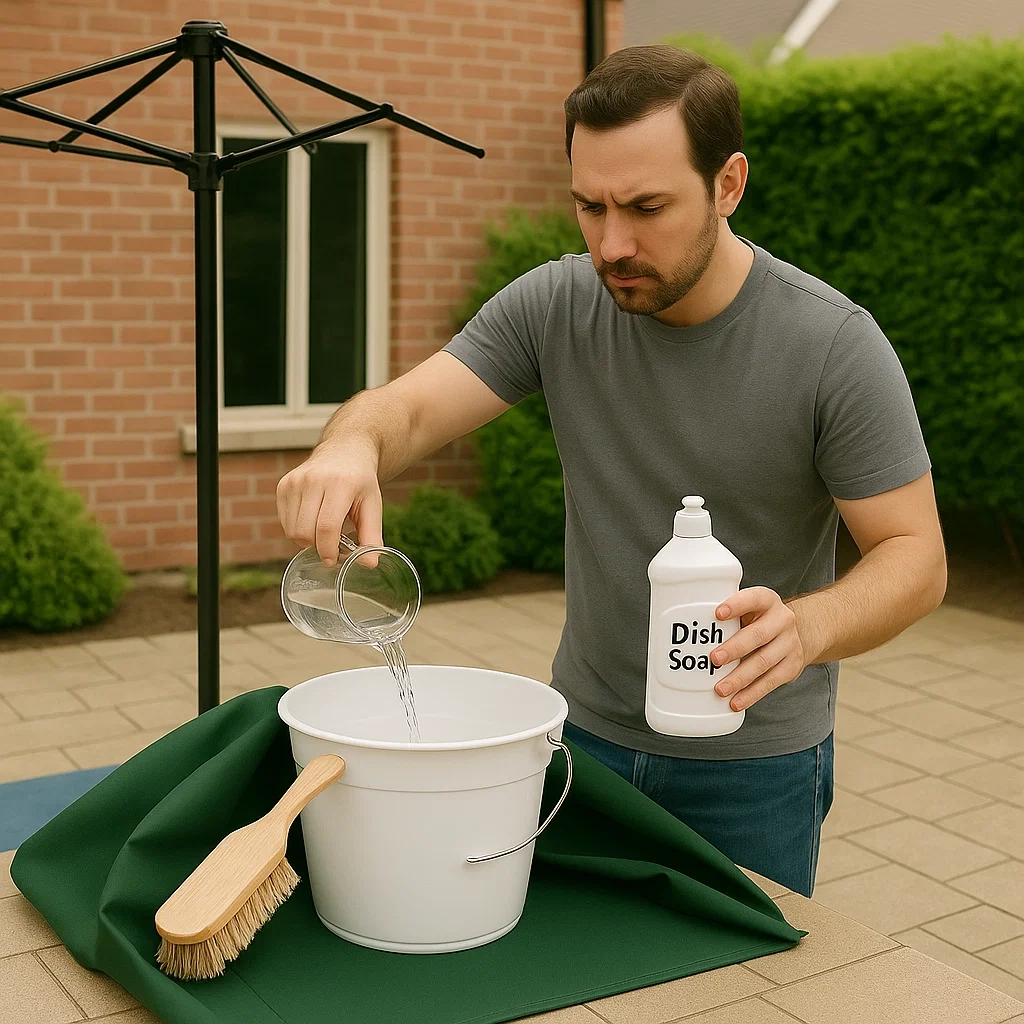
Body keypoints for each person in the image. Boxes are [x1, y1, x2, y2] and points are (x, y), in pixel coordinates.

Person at [276, 45, 947, 897]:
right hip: (579, 745)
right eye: (589, 207)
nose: (612, 243)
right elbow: (403, 411)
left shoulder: (832, 346)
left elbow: (916, 556)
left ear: (729, 184)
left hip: (753, 768)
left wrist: (808, 629)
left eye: (646, 207)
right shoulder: (555, 304)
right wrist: (348, 445)